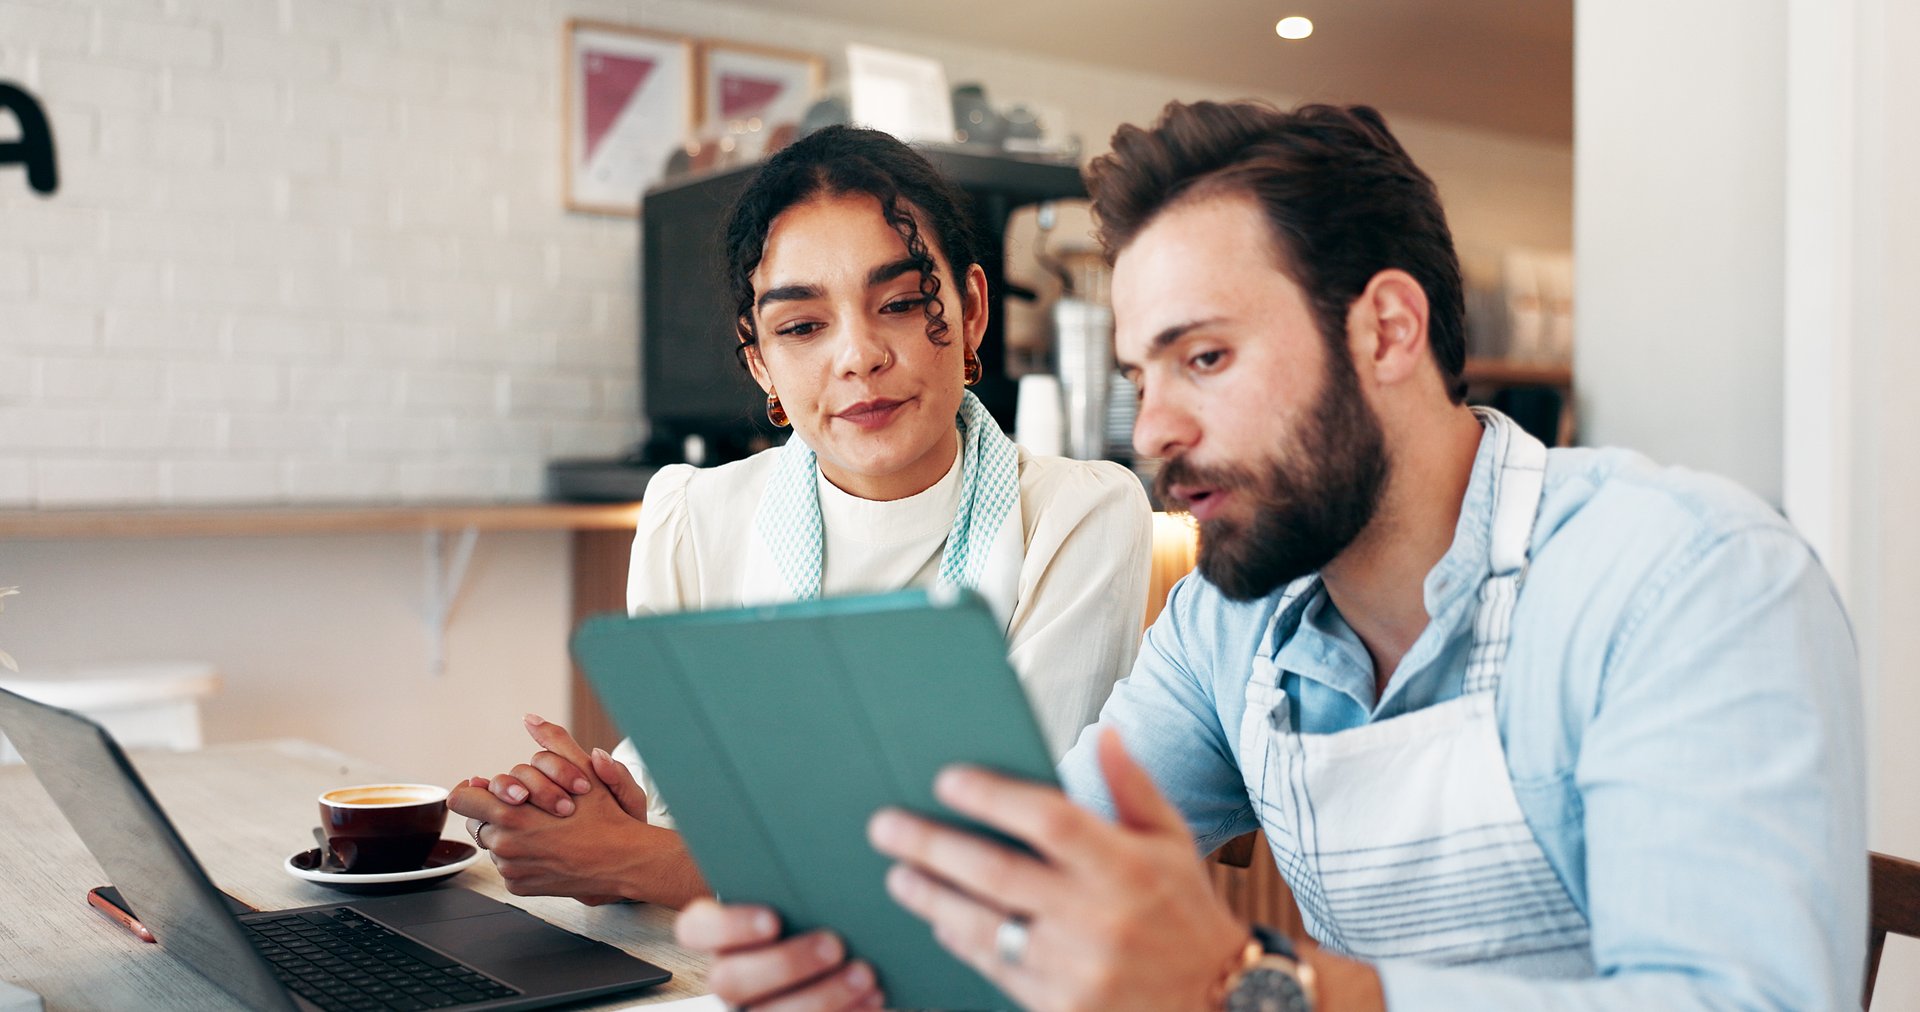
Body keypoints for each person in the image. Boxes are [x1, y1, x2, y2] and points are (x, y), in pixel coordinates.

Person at [677, 101, 1867, 1011]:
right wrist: (839, 944)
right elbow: (1037, 867)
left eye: (1204, 360)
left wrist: (1250, 983)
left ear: (1388, 330)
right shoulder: (1228, 625)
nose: (1152, 433)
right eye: (1144, 379)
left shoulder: (1687, 580)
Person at [445, 126, 1153, 910]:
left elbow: (1002, 866)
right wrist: (601, 814)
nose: (858, 356)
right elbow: (674, 795)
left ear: (974, 309)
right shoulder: (692, 518)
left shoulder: (1080, 516)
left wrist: (641, 861)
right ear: (760, 363)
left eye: (902, 303)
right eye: (802, 326)